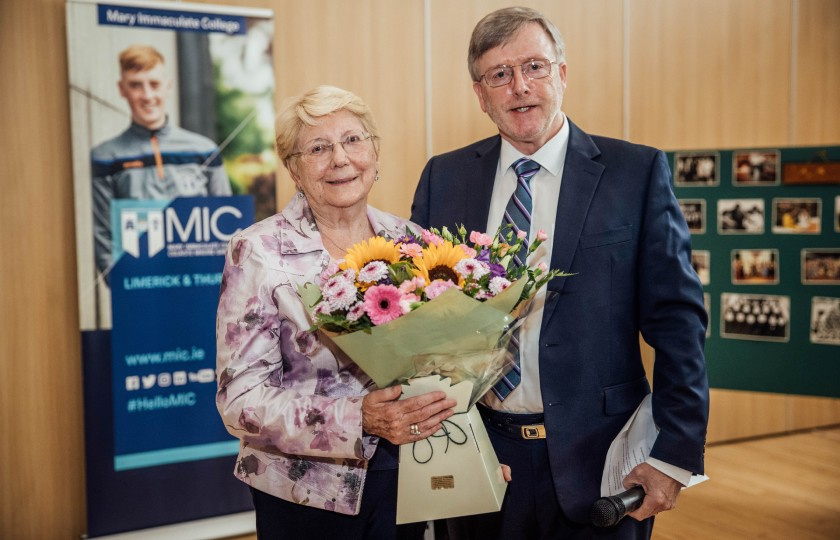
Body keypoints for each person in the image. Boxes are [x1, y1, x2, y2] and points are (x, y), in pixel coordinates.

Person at [411, 7, 709, 539]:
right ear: (481, 94)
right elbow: (420, 326)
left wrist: (675, 454)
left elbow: (679, 322)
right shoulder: (443, 179)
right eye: (499, 75)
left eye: (535, 66)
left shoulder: (635, 173)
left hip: (604, 463)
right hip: (481, 457)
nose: (520, 87)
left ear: (562, 74)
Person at [215, 86, 458, 539]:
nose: (340, 159)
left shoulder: (413, 242)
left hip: (406, 475)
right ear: (293, 168)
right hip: (304, 493)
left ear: (375, 152)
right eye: (319, 148)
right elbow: (240, 401)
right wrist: (356, 417)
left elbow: (444, 363)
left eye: (353, 140)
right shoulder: (259, 251)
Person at [91, 44, 232, 278]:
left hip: (201, 288)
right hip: (140, 291)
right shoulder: (106, 156)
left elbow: (227, 227)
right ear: (122, 89)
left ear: (168, 86)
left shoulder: (205, 150)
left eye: (154, 84)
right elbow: (103, 235)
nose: (147, 95)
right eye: (136, 85)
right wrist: (124, 287)